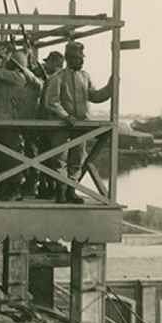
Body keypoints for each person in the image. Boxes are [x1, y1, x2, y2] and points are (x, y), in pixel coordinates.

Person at [44, 41, 112, 203]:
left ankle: (71, 190)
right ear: (68, 58)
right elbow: (51, 101)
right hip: (62, 126)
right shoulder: (58, 78)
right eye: (77, 58)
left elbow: (94, 96)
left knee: (78, 158)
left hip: (81, 126)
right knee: (60, 159)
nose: (81, 61)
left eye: (82, 58)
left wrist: (109, 88)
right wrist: (65, 116)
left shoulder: (85, 76)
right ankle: (60, 191)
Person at [0, 50, 38, 201]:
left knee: (9, 156)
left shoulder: (16, 77)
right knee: (2, 157)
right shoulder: (10, 79)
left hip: (5, 121)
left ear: (15, 65)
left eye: (10, 62)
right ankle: (6, 188)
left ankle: (15, 186)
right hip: (0, 121)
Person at [35, 51, 65, 200]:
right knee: (50, 159)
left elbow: (48, 104)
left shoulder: (55, 79)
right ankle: (49, 188)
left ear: (54, 64)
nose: (45, 65)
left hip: (50, 126)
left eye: (47, 63)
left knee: (49, 158)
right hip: (50, 125)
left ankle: (50, 188)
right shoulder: (58, 78)